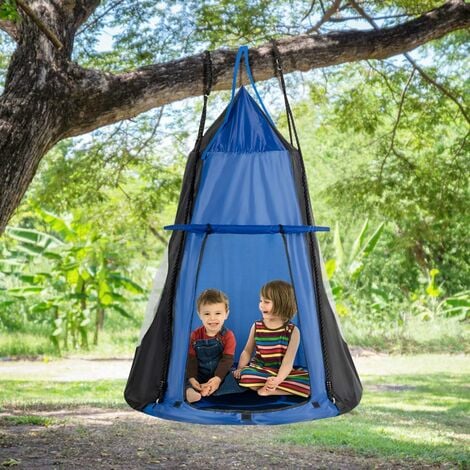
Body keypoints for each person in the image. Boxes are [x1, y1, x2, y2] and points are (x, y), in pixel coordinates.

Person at [233, 280, 310, 398]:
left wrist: (278, 379)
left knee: (311, 381)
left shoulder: (292, 331)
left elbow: (288, 363)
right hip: (260, 370)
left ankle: (271, 390)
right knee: (246, 375)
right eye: (260, 301)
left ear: (282, 304)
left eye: (266, 302)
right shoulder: (257, 326)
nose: (261, 305)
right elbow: (247, 351)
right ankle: (274, 387)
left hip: (282, 372)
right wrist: (240, 368)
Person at [185, 288, 243, 403]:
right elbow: (191, 360)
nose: (212, 318)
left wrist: (217, 379)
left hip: (221, 375)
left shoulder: (228, 336)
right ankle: (191, 391)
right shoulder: (194, 336)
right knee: (180, 379)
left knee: (241, 379)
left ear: (226, 314)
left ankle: (210, 388)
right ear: (199, 314)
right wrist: (192, 378)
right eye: (207, 313)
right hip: (200, 375)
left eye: (218, 313)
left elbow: (227, 360)